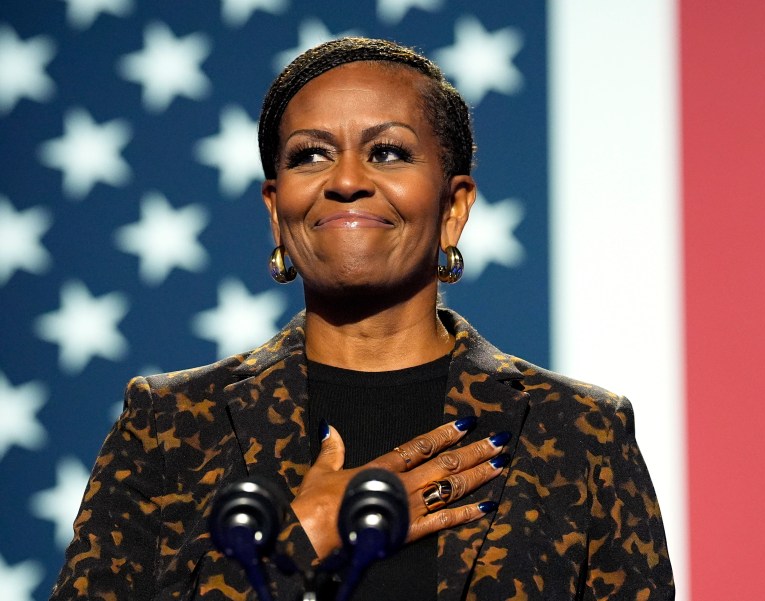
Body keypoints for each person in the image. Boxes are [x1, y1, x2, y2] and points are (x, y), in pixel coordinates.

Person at [50, 37, 674, 600]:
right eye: (310, 157)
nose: (346, 180)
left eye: (389, 152)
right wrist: (298, 538)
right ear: (276, 209)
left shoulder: (579, 431)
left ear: (454, 206)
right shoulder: (168, 425)